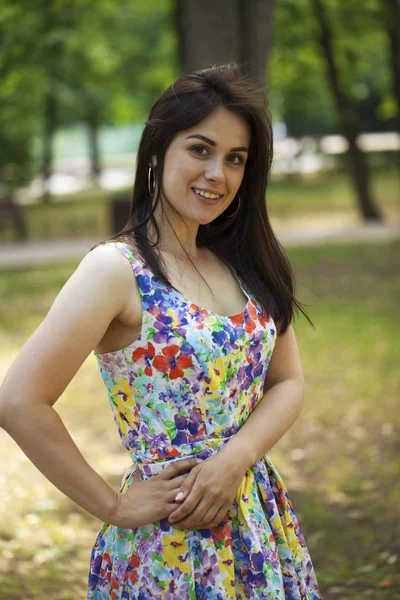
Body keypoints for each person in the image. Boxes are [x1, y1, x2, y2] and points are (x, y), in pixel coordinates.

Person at [0, 63, 321, 599]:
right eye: (200, 149)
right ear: (156, 153)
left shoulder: (245, 262)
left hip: (258, 521)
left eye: (235, 159)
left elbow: (287, 383)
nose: (217, 173)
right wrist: (112, 505)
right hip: (170, 543)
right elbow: (18, 400)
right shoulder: (116, 270)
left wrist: (234, 461)